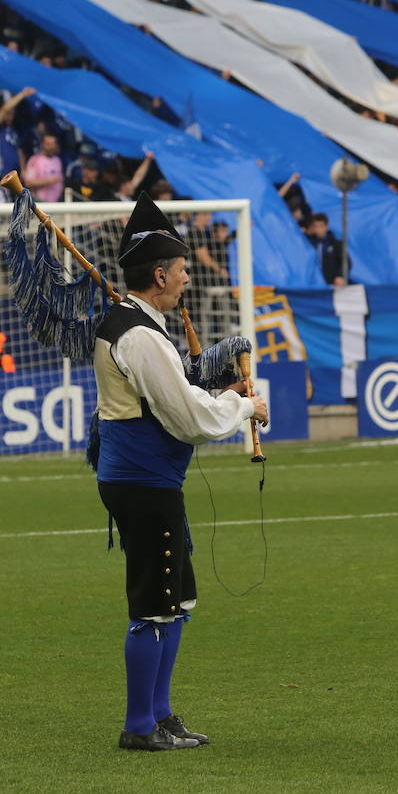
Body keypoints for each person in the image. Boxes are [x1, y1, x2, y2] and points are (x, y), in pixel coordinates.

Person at [92, 193, 267, 752]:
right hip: (142, 483)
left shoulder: (140, 326)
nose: (189, 278)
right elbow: (187, 418)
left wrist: (222, 392)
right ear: (161, 274)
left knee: (176, 600)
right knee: (153, 603)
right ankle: (140, 726)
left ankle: (160, 715)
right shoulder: (140, 336)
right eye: (184, 270)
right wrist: (242, 408)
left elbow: (177, 398)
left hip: (148, 479)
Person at [305, 212, 347, 286]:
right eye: (316, 226)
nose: (318, 229)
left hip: (332, 284)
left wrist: (340, 275)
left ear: (326, 227)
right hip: (313, 284)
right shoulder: (308, 243)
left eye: (321, 226)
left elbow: (347, 262)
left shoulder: (335, 243)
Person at [23, 134, 64, 201]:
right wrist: (48, 181)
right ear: (42, 145)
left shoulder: (57, 160)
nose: (51, 147)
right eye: (48, 144)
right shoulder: (34, 160)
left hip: (56, 204)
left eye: (53, 144)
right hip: (39, 203)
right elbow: (28, 183)